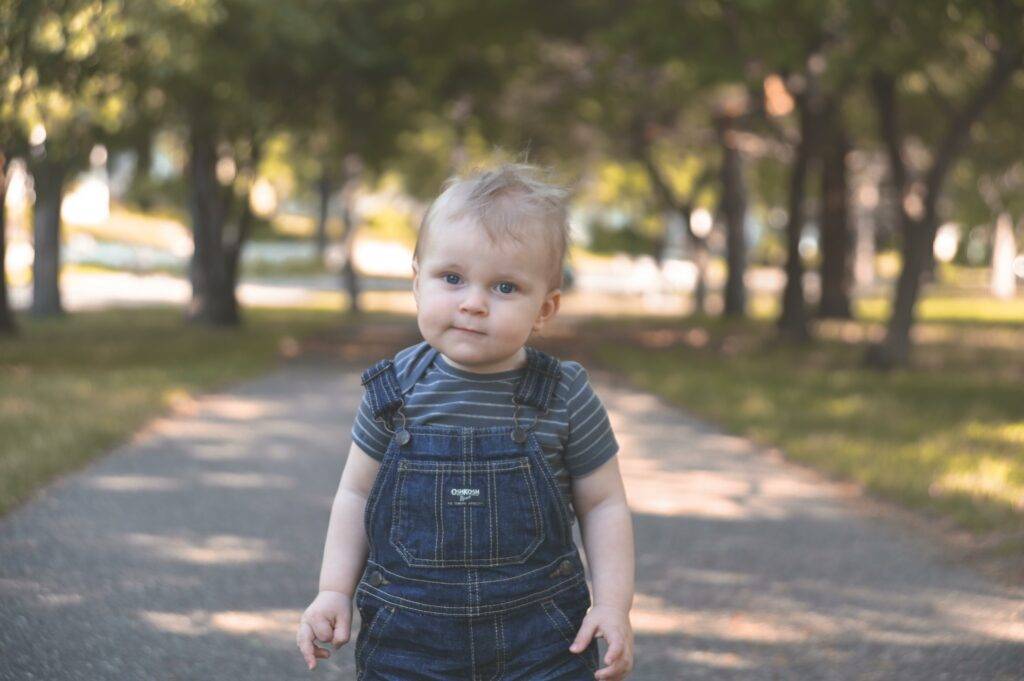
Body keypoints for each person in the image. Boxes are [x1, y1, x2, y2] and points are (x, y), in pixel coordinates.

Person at [296, 163, 635, 680]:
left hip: (541, 637)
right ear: (417, 283)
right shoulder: (393, 392)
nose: (473, 303)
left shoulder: (564, 395)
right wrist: (333, 590)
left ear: (545, 308)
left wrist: (612, 606)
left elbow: (604, 503)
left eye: (504, 287)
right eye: (452, 278)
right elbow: (356, 495)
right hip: (408, 638)